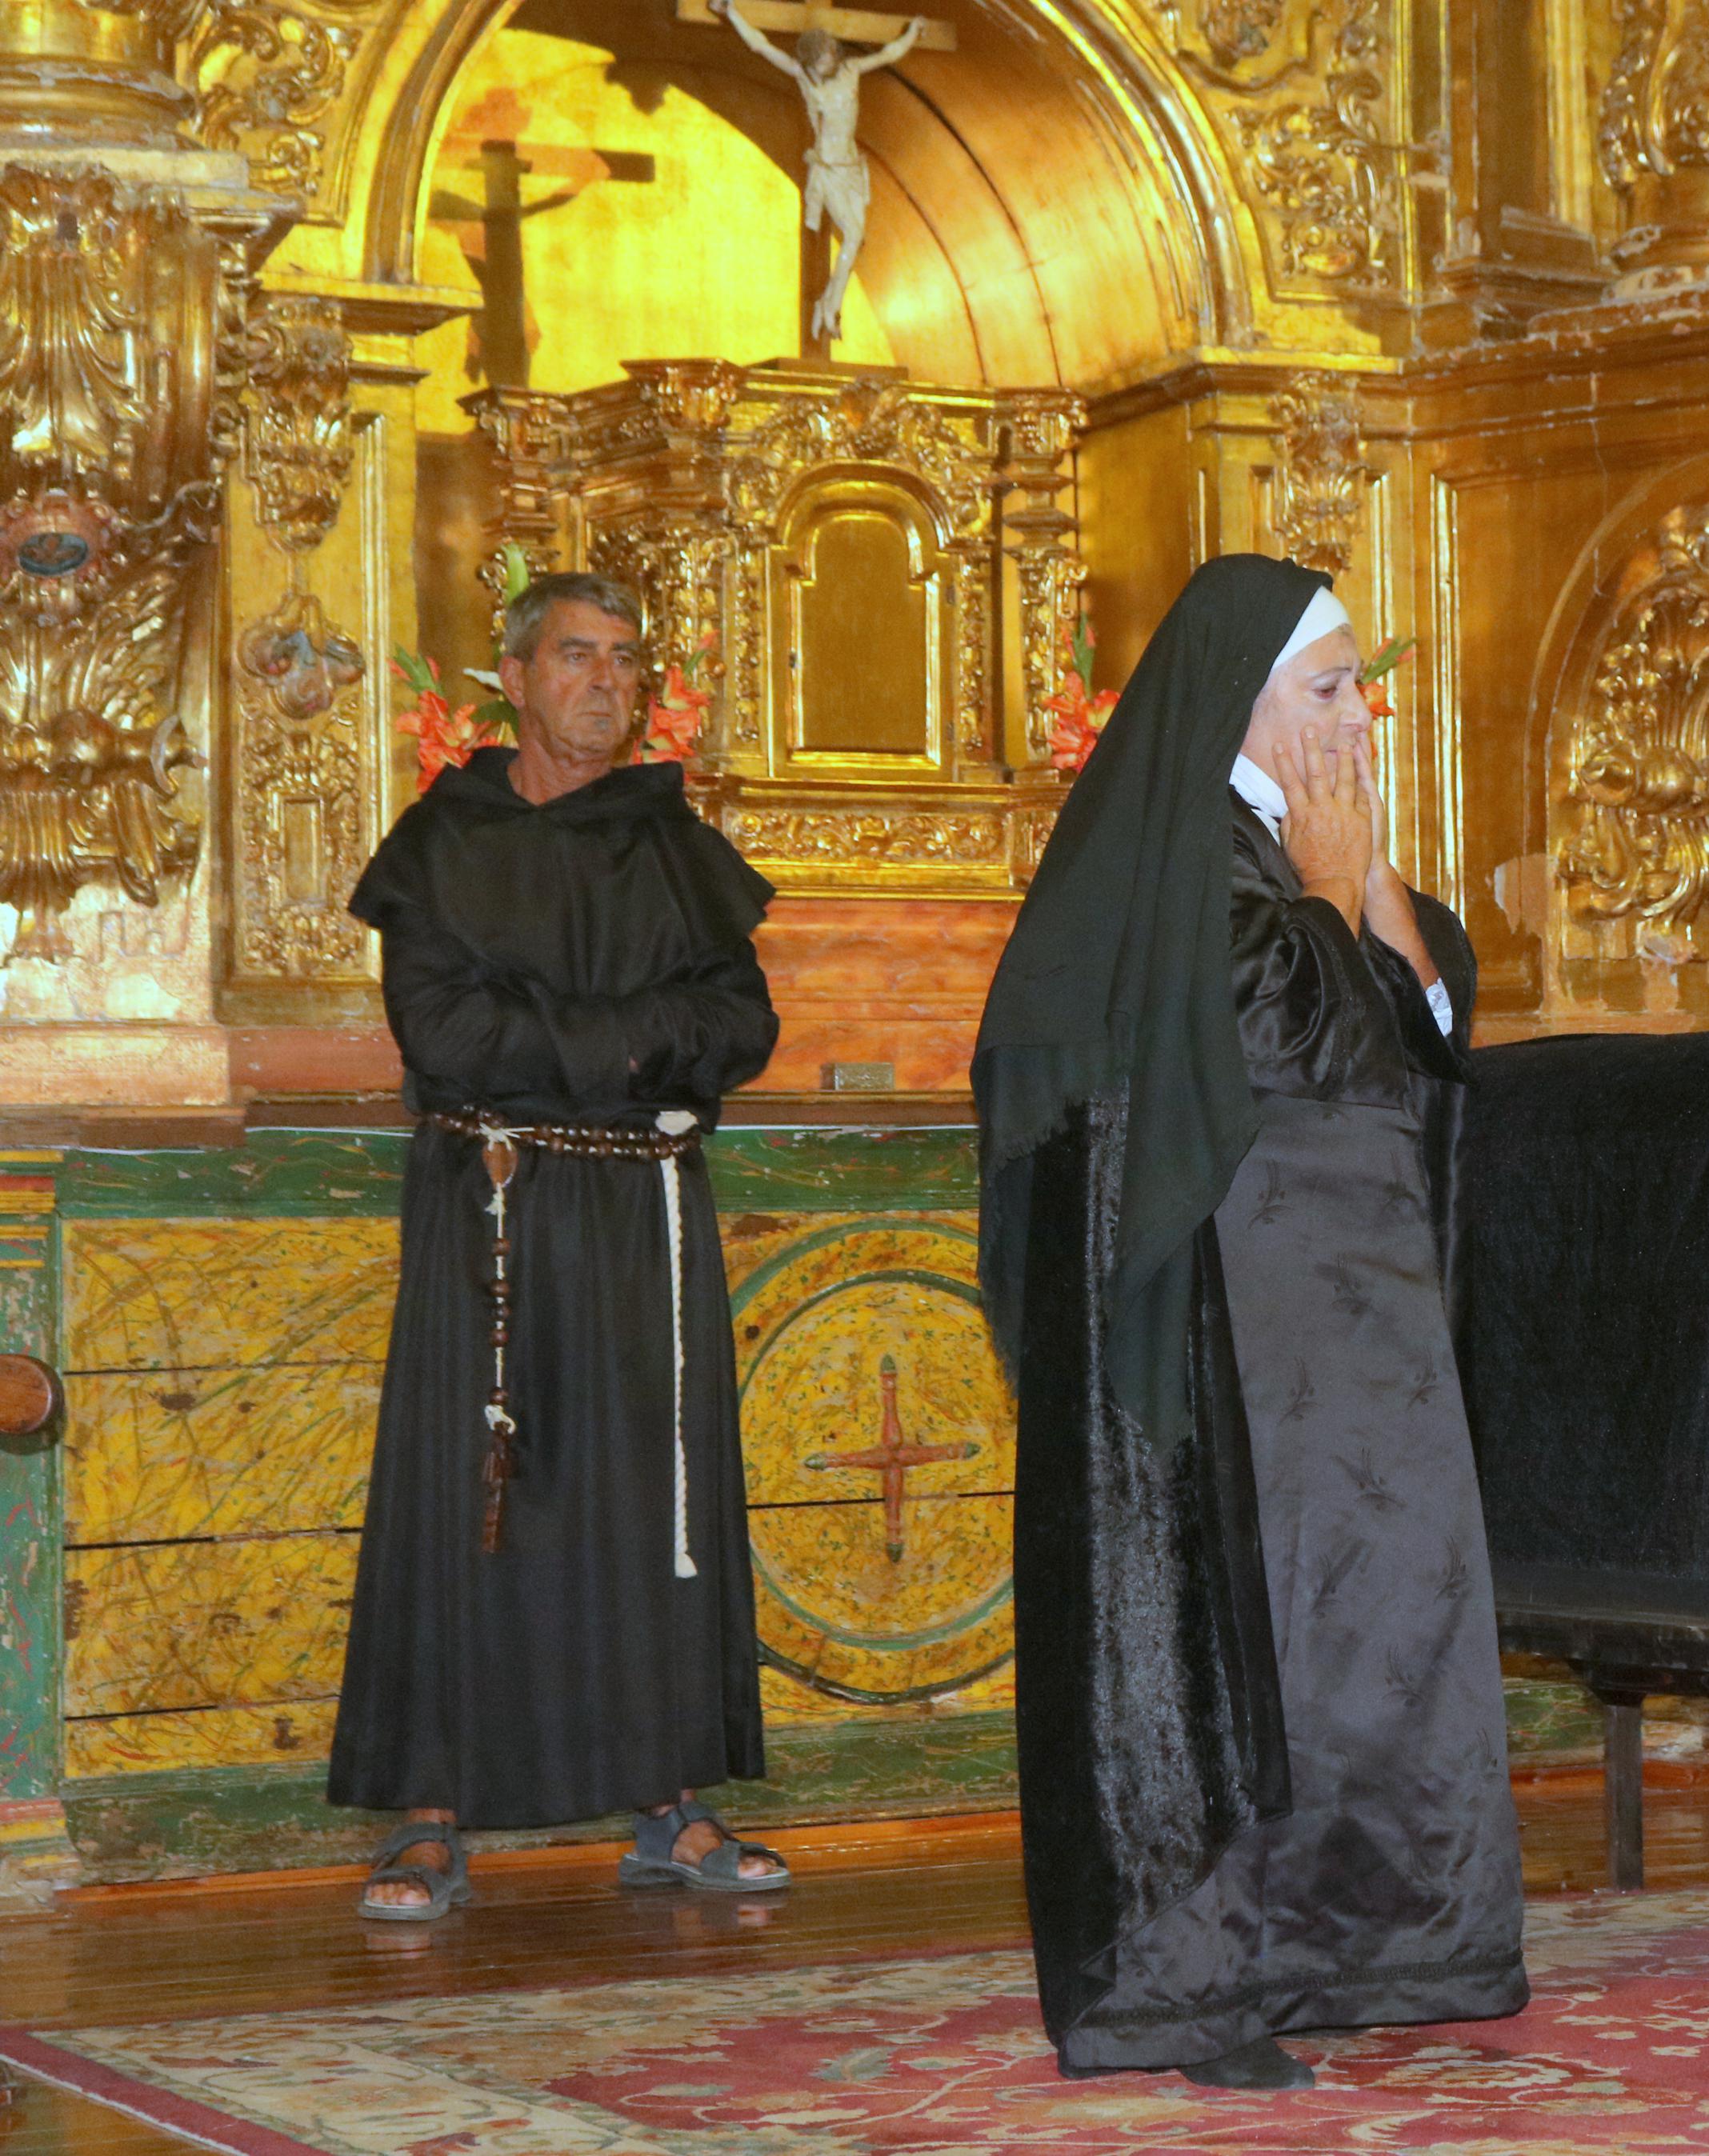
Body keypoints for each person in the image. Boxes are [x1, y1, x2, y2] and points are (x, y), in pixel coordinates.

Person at [974, 554, 1523, 2092]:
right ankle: (1197, 1976)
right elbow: (1282, 1036)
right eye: (1331, 687)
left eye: (1362, 683)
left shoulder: (1306, 842)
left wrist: (1370, 891)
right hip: (1237, 1334)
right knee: (1249, 1638)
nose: (1363, 714)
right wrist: (1340, 894)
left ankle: (1356, 1948)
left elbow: (1425, 1029)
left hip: (1354, 1316)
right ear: (1242, 699)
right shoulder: (1180, 854)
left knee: (1371, 1618)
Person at [328, 571, 787, 1916]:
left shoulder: (668, 841)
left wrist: (559, 1041)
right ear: (515, 679)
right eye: (578, 656)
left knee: (652, 1501)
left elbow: (739, 1029)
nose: (607, 680)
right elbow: (445, 1040)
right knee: (469, 1492)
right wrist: (631, 1041)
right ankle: (429, 1809)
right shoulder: (443, 839)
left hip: (642, 1212)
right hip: (490, 1203)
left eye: (627, 660)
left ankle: (669, 1805)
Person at [711, 0, 927, 342]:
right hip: (828, 172)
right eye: (823, 57)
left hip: (852, 169)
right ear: (812, 59)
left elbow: (888, 54)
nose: (829, 61)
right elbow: (759, 45)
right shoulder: (804, 77)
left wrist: (914, 31)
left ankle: (827, 305)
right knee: (853, 237)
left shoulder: (852, 69)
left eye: (831, 54)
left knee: (856, 241)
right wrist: (731, 12)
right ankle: (829, 308)